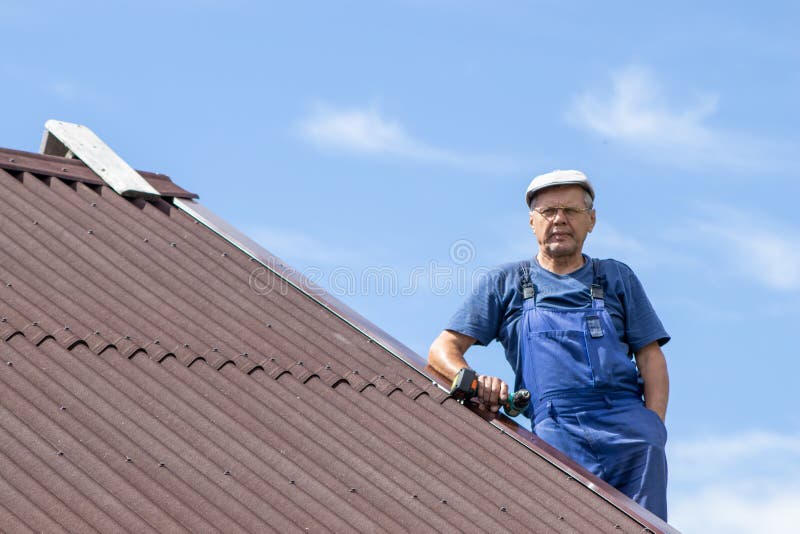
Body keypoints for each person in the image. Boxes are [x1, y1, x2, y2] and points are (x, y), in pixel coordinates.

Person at [428, 169, 670, 520]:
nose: (559, 220)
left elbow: (650, 357)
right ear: (532, 222)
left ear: (591, 220)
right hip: (556, 429)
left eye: (570, 211)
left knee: (644, 526)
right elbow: (442, 350)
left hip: (630, 432)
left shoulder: (617, 277)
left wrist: (653, 427)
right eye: (548, 212)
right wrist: (476, 381)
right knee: (567, 522)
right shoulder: (505, 283)